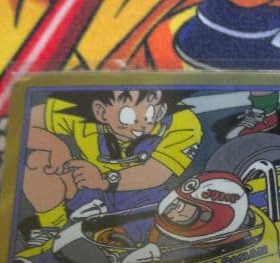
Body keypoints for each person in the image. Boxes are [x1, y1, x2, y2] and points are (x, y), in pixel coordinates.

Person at [22, 89, 202, 245]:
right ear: (100, 111)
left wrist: (104, 181)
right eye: (128, 116)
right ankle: (53, 228)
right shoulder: (79, 108)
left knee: (183, 211)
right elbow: (23, 122)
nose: (141, 125)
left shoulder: (183, 121)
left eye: (149, 114)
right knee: (39, 160)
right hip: (88, 186)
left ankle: (121, 240)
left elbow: (156, 173)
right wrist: (56, 146)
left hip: (143, 194)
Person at [121, 171, 252, 263]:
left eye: (181, 210)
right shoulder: (164, 231)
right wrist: (120, 233)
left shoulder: (207, 252)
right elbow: (145, 228)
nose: (171, 213)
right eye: (175, 204)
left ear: (206, 218)